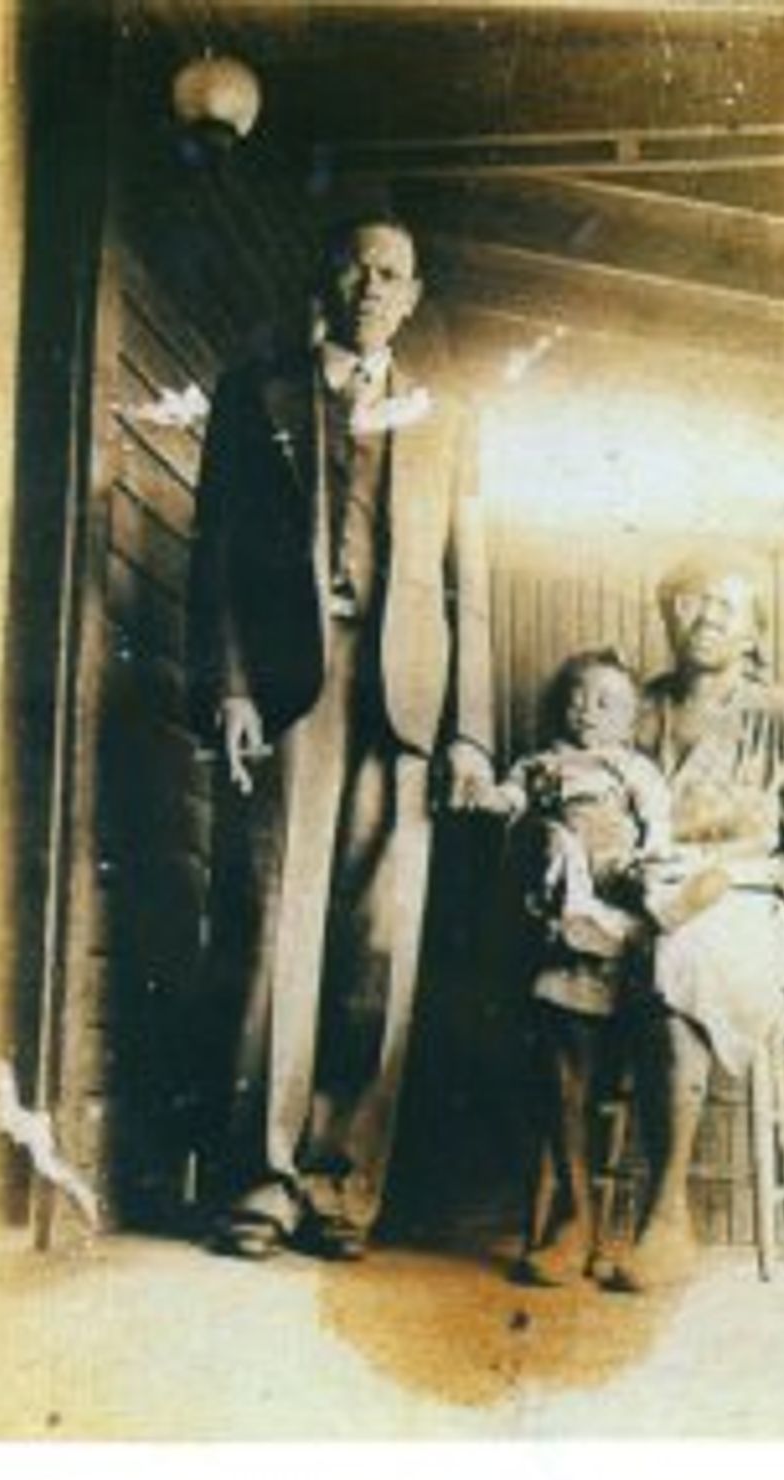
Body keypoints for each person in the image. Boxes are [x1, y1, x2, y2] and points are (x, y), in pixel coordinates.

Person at [186, 215, 494, 1262]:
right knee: (274, 926)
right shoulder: (256, 393)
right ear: (328, 277)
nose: (372, 285)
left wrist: (471, 735)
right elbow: (216, 554)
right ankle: (257, 1185)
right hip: (287, 690)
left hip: (403, 697)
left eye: (392, 272)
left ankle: (338, 1189)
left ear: (413, 296)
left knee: (379, 941)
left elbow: (468, 582)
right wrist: (229, 688)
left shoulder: (447, 420)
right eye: (357, 266)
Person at [618, 555, 784, 1291]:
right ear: (668, 614)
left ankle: (666, 1213)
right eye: (691, 600)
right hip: (640, 893)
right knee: (565, 962)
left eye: (727, 605)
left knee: (685, 952)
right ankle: (565, 1210)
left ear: (755, 630)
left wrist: (733, 881)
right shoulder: (633, 709)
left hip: (749, 905)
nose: (707, 616)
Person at [474, 648, 669, 1286]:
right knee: (551, 841)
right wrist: (497, 800)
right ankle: (575, 1216)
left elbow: (658, 827)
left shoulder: (633, 769)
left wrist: (649, 860)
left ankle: (625, 1233)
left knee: (630, 869)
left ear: (631, 721)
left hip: (626, 920)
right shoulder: (541, 764)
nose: (587, 710)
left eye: (606, 703)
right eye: (578, 698)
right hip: (563, 928)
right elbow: (508, 798)